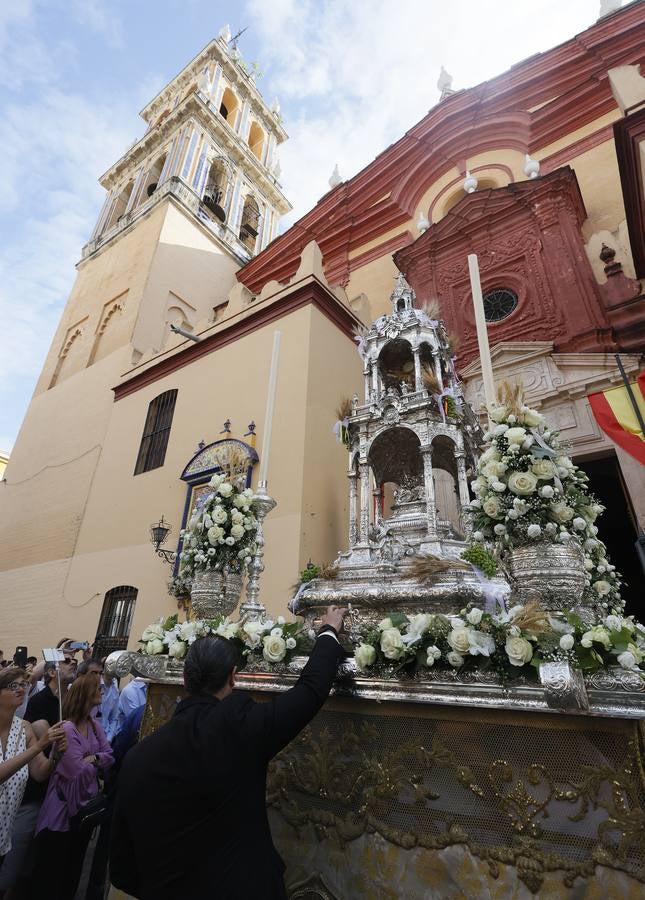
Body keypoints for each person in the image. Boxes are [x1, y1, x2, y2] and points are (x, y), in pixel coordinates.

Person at [109, 605, 347, 900]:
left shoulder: (138, 756)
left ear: (185, 678)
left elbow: (121, 867)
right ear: (233, 677)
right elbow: (310, 690)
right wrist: (329, 631)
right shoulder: (240, 729)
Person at [30, 674, 114, 900]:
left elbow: (109, 756)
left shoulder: (94, 725)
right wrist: (95, 761)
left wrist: (92, 759)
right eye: (97, 688)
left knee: (72, 872)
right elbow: (74, 771)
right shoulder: (66, 729)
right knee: (52, 874)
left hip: (84, 811)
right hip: (62, 813)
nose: (102, 691)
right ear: (85, 694)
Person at [0, 668, 66, 868]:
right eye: (13, 685)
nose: (21, 689)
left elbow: (39, 773)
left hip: (3, 834)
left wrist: (55, 754)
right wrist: (39, 745)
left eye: (23, 684)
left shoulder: (25, 728)